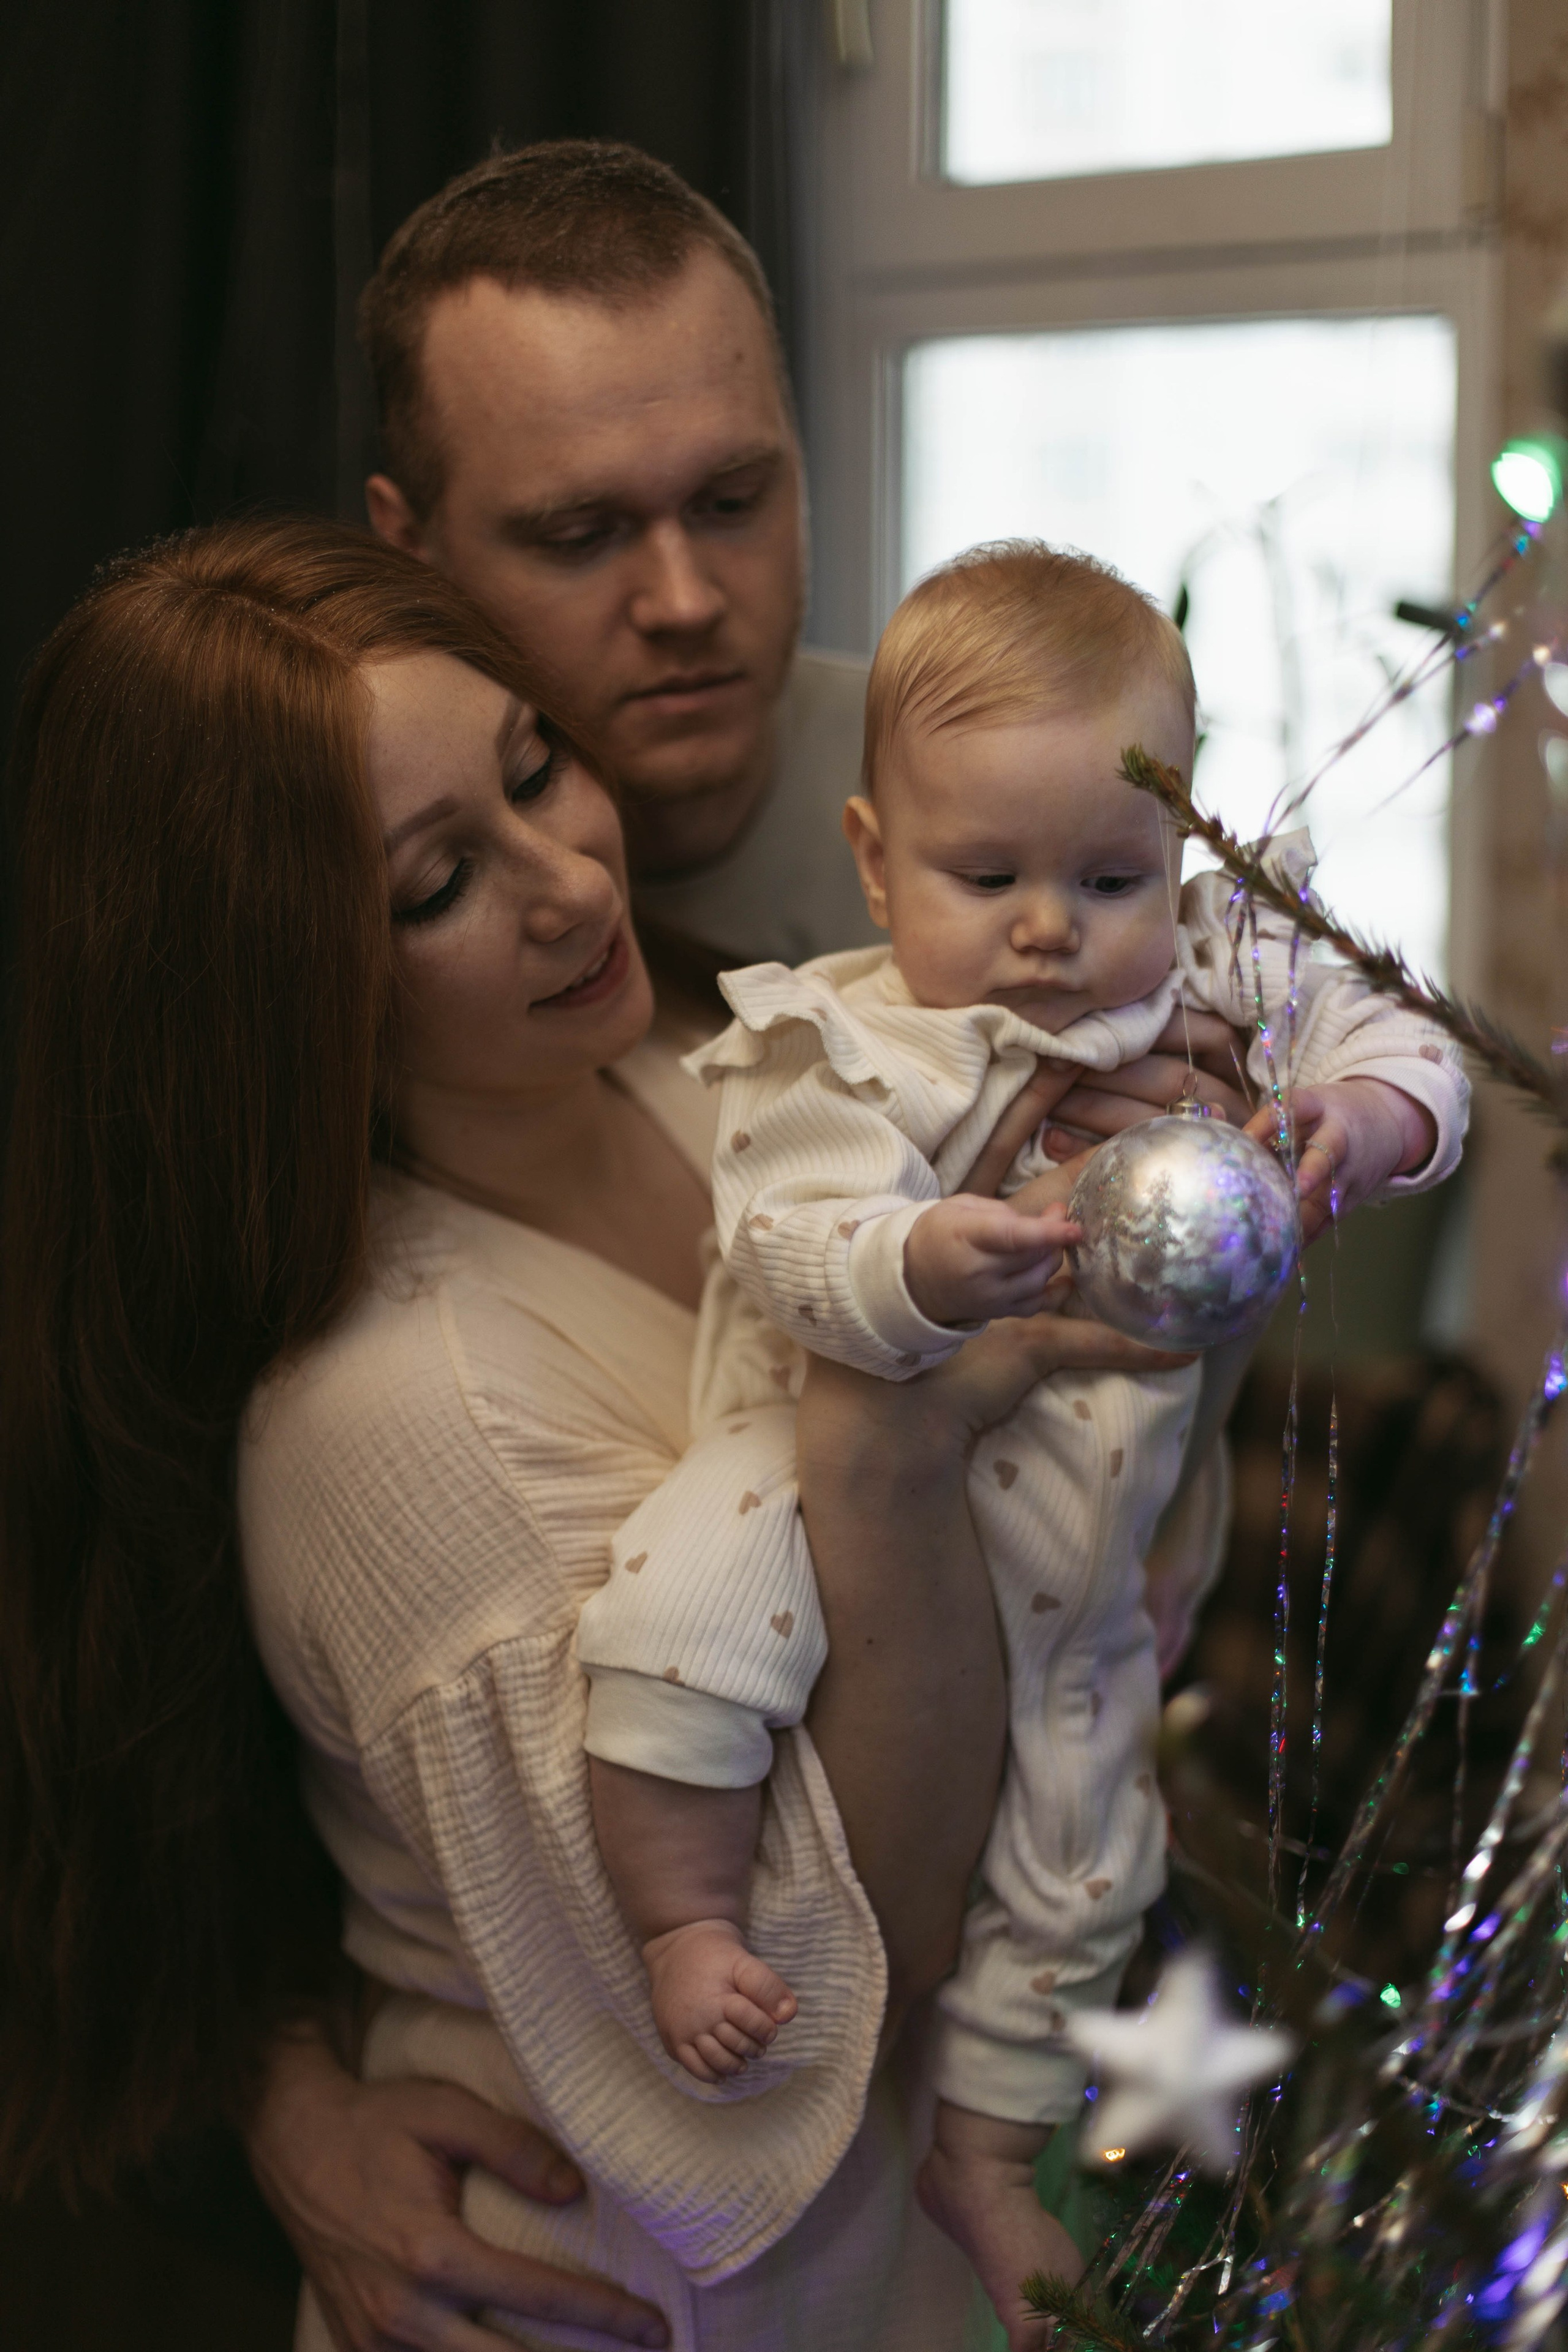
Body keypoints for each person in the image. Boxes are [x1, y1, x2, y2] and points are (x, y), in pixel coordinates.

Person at [238, 143, 1263, 2348]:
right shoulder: (346, 1139)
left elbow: (1195, 1264)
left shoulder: (996, 782)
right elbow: (175, 1644)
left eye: (737, 495)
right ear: (408, 546)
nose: (689, 600)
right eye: (579, 533)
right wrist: (271, 2076)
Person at [0, 517, 1210, 2352]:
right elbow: (810, 1987)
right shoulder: (408, 1424)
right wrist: (895, 1433)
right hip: (651, 2286)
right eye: (437, 885)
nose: (569, 880)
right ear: (274, 975)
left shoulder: (713, 1074)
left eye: (534, 769)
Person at [572, 543, 1469, 2346]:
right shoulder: (838, 1040)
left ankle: (985, 2149)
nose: (1052, 927)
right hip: (806, 1473)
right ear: (876, 857)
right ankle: (682, 1909)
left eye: (1111, 877)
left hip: (1079, 1536)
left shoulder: (1219, 969)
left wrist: (1365, 1115)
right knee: (677, 1610)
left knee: (1086, 1845)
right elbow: (784, 1234)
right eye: (987, 878)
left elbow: (1405, 1032)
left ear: (1182, 851)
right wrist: (913, 1262)